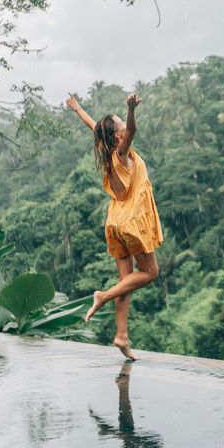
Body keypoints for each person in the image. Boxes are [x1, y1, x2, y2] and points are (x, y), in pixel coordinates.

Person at [66, 92, 162, 360]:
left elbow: (94, 128)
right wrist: (130, 110)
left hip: (115, 221)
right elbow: (132, 128)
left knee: (126, 281)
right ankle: (103, 296)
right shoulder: (122, 151)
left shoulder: (107, 151)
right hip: (132, 222)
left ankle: (122, 335)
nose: (123, 126)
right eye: (119, 126)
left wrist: (78, 109)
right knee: (151, 273)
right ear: (118, 137)